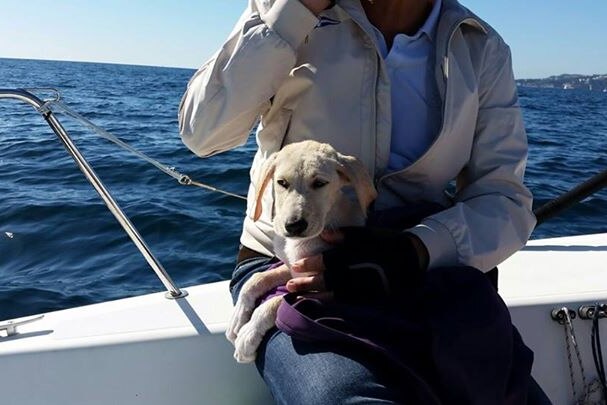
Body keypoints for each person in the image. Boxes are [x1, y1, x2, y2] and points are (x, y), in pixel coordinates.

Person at [179, 0, 550, 403]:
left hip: (417, 270)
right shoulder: (283, 11)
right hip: (286, 263)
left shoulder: (480, 48)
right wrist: (294, 12)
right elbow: (202, 133)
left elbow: (504, 198)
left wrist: (416, 251)